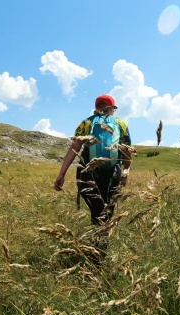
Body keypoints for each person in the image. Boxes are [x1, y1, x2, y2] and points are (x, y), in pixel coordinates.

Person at [54, 94, 133, 228]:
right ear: (112, 108)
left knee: (96, 208)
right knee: (108, 208)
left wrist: (62, 174)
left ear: (96, 108)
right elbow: (127, 149)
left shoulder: (86, 123)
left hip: (88, 171)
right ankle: (102, 239)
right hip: (113, 171)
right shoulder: (121, 123)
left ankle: (97, 236)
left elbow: (75, 148)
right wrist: (126, 171)